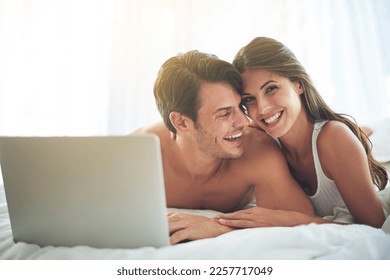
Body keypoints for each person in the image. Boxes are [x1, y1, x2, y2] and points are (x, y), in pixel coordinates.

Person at [133, 50, 314, 244]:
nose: (244, 121)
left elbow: (306, 227)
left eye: (240, 107)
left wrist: (220, 227)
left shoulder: (257, 151)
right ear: (182, 123)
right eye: (225, 113)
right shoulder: (139, 155)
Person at [217, 37, 388, 229]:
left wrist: (293, 221)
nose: (263, 108)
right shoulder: (262, 142)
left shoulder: (334, 138)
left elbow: (376, 229)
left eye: (271, 89)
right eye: (249, 99)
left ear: (298, 84)